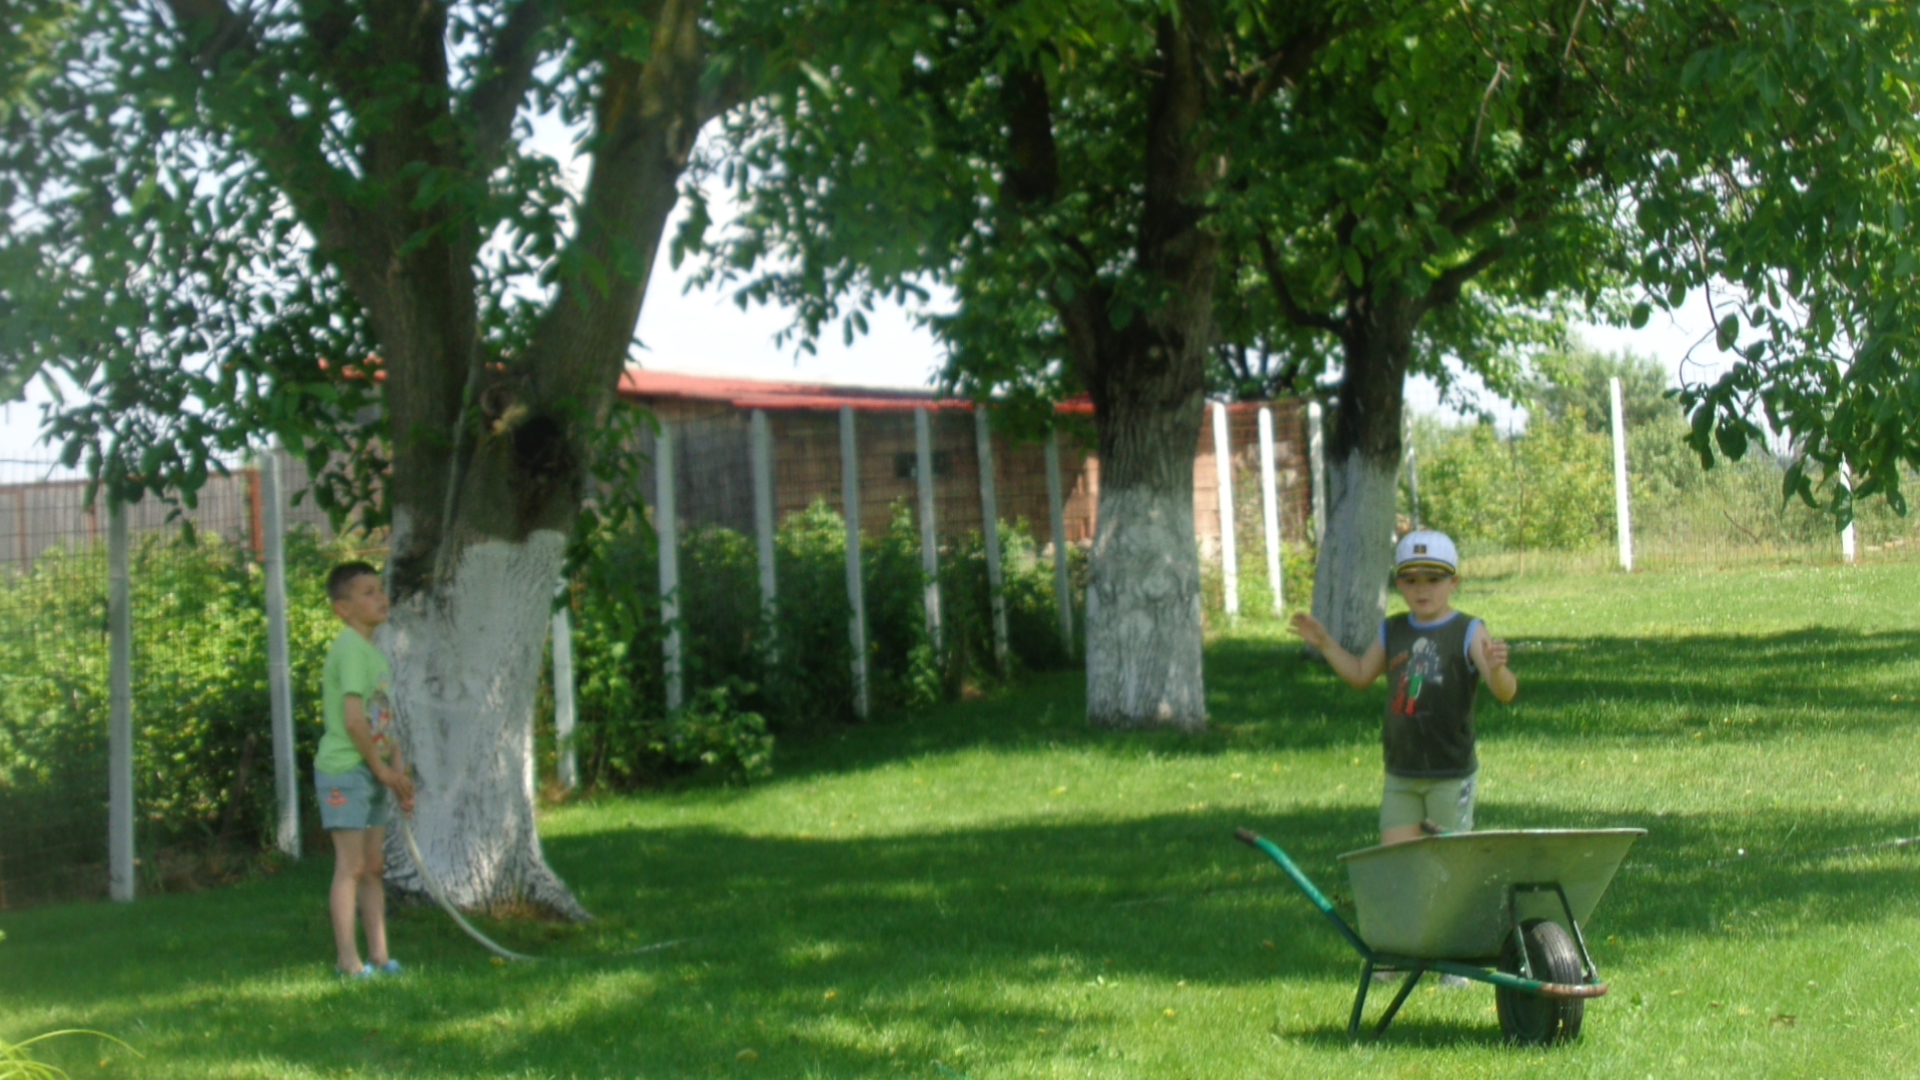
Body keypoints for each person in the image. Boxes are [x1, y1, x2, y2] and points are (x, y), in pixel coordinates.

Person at [1290, 530, 1518, 846]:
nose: (1422, 589)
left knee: (1447, 862)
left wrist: (1497, 667)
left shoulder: (1468, 629)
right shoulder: (1393, 629)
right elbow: (1360, 675)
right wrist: (1326, 644)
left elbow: (1504, 691)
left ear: (1454, 582)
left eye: (1433, 579)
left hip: (1449, 772)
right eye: (1411, 580)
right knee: (1397, 863)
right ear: (1398, 584)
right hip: (1402, 771)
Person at [316, 561, 416, 978]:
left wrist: (398, 771)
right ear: (343, 609)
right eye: (368, 593)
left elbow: (381, 720)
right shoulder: (350, 650)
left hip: (371, 770)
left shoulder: (372, 653)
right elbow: (354, 721)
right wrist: (380, 772)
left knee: (374, 866)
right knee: (352, 867)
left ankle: (379, 956)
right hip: (346, 770)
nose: (380, 598)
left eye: (380, 590)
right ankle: (348, 962)